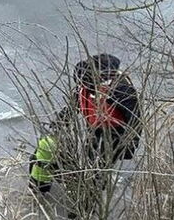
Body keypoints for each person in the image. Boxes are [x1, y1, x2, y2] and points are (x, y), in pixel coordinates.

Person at [30, 53, 141, 194]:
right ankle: (82, 187)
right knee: (89, 162)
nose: (84, 86)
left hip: (114, 134)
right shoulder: (84, 85)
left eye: (87, 83)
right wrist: (59, 123)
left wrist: (130, 145)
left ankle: (90, 201)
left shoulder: (121, 90)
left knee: (97, 171)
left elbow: (135, 119)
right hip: (95, 130)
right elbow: (73, 106)